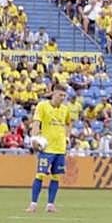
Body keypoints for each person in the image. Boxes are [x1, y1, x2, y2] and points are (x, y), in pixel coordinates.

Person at [27, 85, 69, 213]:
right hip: (47, 148)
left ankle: (50, 205)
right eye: (60, 95)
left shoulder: (65, 109)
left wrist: (67, 137)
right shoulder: (42, 106)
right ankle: (33, 204)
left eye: (64, 95)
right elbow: (36, 123)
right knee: (40, 175)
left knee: (56, 177)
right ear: (53, 94)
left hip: (60, 148)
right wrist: (34, 139)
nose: (62, 98)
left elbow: (68, 123)